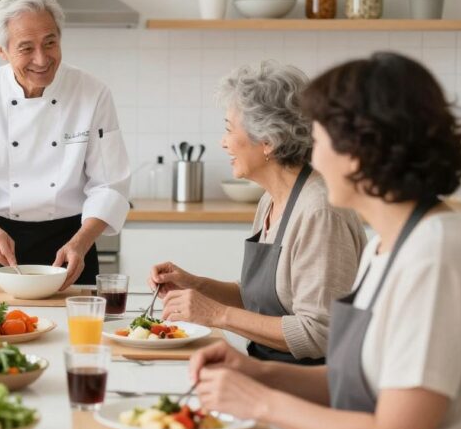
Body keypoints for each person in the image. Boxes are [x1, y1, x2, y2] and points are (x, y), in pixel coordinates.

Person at [190, 52, 461, 429]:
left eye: (319, 137)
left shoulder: (435, 259)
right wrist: (256, 372)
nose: (310, 153)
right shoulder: (389, 245)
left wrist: (261, 401)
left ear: (358, 152)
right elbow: (362, 382)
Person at [150, 61, 365, 364]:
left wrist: (216, 314)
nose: (222, 142)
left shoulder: (320, 212)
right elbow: (264, 301)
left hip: (309, 386)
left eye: (228, 130)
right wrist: (194, 284)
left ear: (269, 141)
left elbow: (319, 334)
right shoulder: (272, 198)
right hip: (268, 369)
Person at [0, 0, 131, 288]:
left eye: (50, 43)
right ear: (1, 50)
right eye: (26, 48)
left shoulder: (92, 93)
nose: (42, 58)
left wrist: (81, 241)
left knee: (78, 334)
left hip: (71, 245)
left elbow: (109, 184)